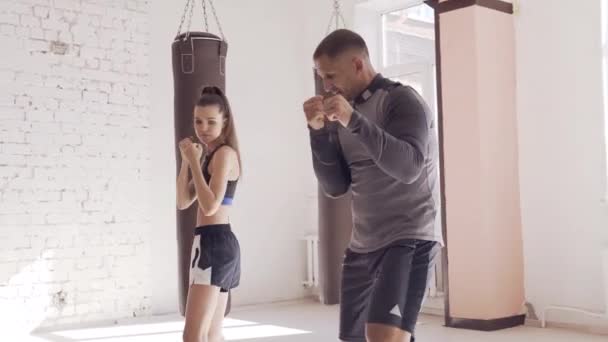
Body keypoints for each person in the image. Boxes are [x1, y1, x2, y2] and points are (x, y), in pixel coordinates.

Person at [303, 29, 444, 342]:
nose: (325, 86)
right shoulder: (342, 112)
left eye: (330, 75)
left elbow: (408, 168)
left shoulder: (401, 100)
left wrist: (353, 120)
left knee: (382, 336)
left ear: (357, 64)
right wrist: (317, 133)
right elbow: (336, 186)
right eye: (320, 77)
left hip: (408, 237)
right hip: (363, 245)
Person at [177, 85, 242, 342]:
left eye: (211, 122)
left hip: (214, 243)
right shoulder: (209, 156)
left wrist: (195, 161)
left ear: (225, 122)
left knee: (193, 336)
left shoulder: (224, 154)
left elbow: (210, 205)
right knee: (212, 334)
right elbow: (183, 201)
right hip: (214, 242)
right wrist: (186, 161)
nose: (203, 128)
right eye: (198, 121)